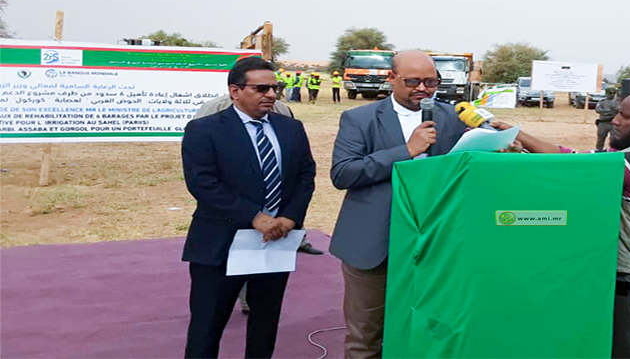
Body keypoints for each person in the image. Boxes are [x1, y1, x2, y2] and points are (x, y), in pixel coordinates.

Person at [493, 91, 630, 359]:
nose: (615, 120)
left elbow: (568, 168)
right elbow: (574, 156)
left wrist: (516, 146)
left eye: (625, 116)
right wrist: (521, 137)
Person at [329, 50, 467, 359]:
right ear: (391, 78)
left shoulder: (452, 117)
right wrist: (406, 150)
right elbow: (343, 173)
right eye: (413, 81)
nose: (423, 89)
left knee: (431, 329)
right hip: (374, 245)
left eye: (431, 82)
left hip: (435, 245)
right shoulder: (359, 118)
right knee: (366, 336)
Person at [181, 57, 316, 358]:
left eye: (275, 88)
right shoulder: (204, 130)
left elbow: (305, 176)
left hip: (276, 243)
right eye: (261, 88)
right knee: (207, 326)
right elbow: (203, 184)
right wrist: (254, 217)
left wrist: (289, 219)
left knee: (265, 324)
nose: (271, 94)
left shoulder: (291, 128)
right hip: (219, 245)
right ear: (235, 91)